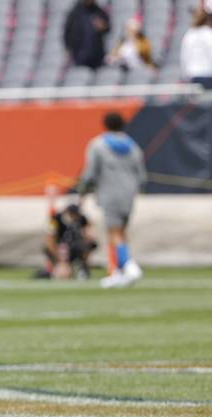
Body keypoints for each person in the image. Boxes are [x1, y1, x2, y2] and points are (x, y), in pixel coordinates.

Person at [77, 112, 146, 289]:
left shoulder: (98, 145)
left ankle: (129, 266)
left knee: (114, 232)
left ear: (105, 125)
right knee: (120, 233)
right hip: (129, 194)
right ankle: (116, 272)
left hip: (110, 192)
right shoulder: (132, 145)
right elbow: (141, 174)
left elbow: (90, 172)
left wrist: (82, 192)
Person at [36, 204, 97, 280]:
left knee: (90, 245)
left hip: (73, 248)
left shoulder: (82, 219)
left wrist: (88, 235)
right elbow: (49, 239)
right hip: (58, 250)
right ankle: (52, 269)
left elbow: (89, 233)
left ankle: (83, 268)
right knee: (63, 274)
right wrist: (59, 259)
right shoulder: (54, 219)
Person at [64, 0, 111, 69]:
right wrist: (68, 48)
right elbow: (67, 32)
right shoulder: (75, 12)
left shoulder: (99, 11)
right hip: (79, 54)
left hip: (97, 55)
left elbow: (108, 28)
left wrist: (103, 27)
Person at [181, 7, 212, 90]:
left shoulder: (189, 34)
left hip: (193, 75)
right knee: (209, 102)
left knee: (196, 102)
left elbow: (184, 56)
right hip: (209, 74)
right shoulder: (211, 34)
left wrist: (185, 74)